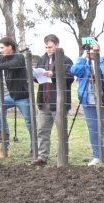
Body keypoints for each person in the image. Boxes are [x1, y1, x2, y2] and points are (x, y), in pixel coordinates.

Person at [31, 34, 74, 166]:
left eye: (50, 46)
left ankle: (61, 158)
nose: (48, 49)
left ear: (57, 45)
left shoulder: (65, 60)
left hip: (59, 103)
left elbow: (70, 78)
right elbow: (37, 79)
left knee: (61, 131)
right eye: (46, 47)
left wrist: (53, 75)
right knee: (42, 130)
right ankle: (42, 157)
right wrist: (35, 75)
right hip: (44, 101)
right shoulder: (42, 59)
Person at [0, 36, 33, 158]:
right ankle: (3, 133)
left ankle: (34, 150)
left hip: (23, 97)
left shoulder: (19, 57)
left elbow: (10, 65)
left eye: (2, 48)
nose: (0, 50)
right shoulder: (3, 58)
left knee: (29, 123)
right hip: (11, 96)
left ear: (10, 47)